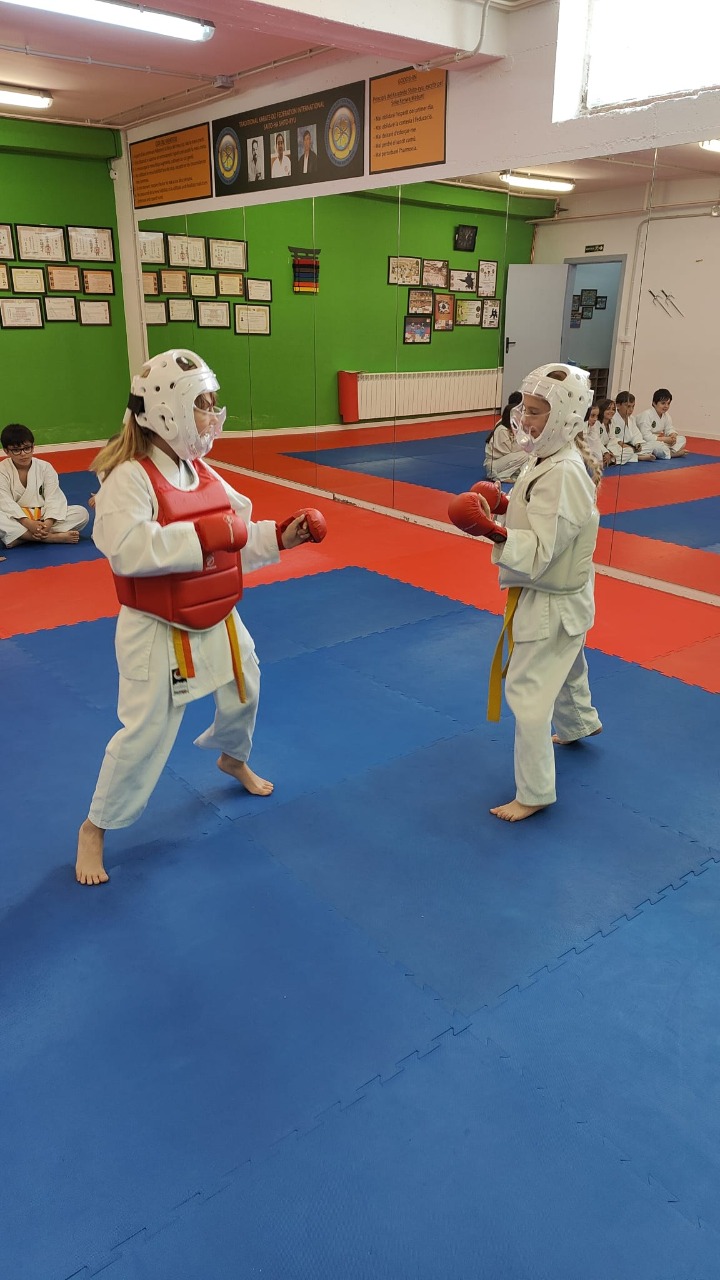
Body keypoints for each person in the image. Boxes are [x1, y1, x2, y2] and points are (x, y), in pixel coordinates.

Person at [75, 349, 326, 886]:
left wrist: (282, 536)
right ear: (168, 412)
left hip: (217, 613)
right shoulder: (129, 478)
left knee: (246, 687)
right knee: (145, 734)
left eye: (213, 404)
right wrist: (200, 535)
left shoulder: (201, 470)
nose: (213, 415)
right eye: (203, 404)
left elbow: (235, 537)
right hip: (158, 626)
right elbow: (127, 550)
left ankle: (232, 758)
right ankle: (95, 827)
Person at [448, 363, 602, 822]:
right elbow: (537, 514)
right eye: (524, 409)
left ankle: (534, 792)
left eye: (536, 411)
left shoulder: (564, 472)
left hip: (551, 599)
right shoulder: (547, 458)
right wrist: (501, 505)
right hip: (567, 597)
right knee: (569, 662)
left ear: (565, 417)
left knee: (528, 692)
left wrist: (492, 531)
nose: (524, 419)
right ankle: (579, 723)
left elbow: (542, 552)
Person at [0, 422, 89, 548]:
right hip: (17, 519)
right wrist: (27, 522)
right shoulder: (2, 470)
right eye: (16, 450)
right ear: (6, 451)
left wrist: (48, 523)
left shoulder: (45, 467)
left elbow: (54, 497)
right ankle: (50, 538)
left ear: (33, 447)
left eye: (27, 448)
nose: (23, 454)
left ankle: (21, 537)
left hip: (42, 516)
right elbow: (4, 501)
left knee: (81, 513)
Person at [484, 391, 526, 482]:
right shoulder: (502, 429)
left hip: (504, 461)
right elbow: (508, 452)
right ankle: (501, 476)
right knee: (525, 454)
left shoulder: (512, 425)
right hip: (494, 465)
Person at [636, 389, 688, 458]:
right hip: (645, 442)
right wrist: (665, 439)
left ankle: (667, 452)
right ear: (654, 403)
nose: (666, 406)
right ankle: (672, 454)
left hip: (659, 441)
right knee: (656, 446)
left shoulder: (666, 415)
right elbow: (646, 437)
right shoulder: (646, 415)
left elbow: (669, 428)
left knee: (682, 439)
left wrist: (673, 436)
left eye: (668, 403)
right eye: (663, 403)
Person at [607, 391, 651, 463]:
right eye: (628, 406)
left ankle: (634, 456)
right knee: (627, 451)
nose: (631, 409)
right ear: (618, 406)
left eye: (633, 406)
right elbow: (611, 438)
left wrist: (637, 443)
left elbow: (636, 434)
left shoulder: (632, 419)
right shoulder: (612, 418)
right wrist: (622, 444)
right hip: (618, 446)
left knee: (652, 446)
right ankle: (638, 457)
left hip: (630, 446)